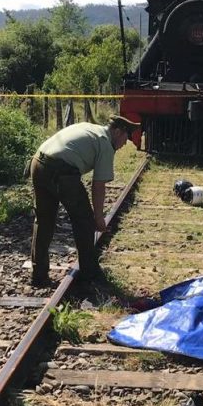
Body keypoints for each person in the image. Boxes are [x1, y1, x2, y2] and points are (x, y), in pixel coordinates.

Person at [27, 115, 140, 286]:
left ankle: (39, 275)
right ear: (117, 132)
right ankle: (90, 273)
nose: (126, 143)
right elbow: (98, 185)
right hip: (61, 170)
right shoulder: (105, 143)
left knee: (43, 221)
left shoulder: (90, 128)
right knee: (84, 220)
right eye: (127, 137)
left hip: (38, 163)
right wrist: (98, 218)